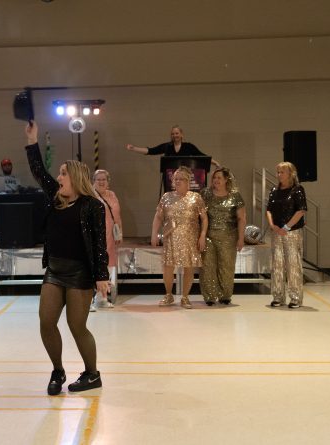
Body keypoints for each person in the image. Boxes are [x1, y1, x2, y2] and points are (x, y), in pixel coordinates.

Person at [24, 120, 109, 396]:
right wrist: (32, 141)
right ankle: (57, 370)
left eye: (63, 173)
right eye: (58, 174)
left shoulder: (92, 206)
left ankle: (92, 373)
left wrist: (101, 276)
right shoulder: (55, 197)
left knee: (76, 325)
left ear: (75, 176)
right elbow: (38, 171)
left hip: (80, 274)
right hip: (55, 271)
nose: (58, 178)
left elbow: (99, 243)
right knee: (46, 321)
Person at [151, 166, 208, 309]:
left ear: (188, 181)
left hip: (190, 237)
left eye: (181, 179)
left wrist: (202, 236)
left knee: (189, 267)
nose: (177, 181)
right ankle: (169, 295)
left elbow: (204, 219)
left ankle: (185, 297)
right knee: (168, 267)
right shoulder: (166, 196)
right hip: (171, 237)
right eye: (175, 178)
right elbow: (158, 217)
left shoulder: (196, 197)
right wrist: (154, 234)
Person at [200, 167, 246, 305]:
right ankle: (209, 296)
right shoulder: (205, 194)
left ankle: (225, 295)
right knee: (207, 266)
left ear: (226, 179)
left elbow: (242, 218)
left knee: (226, 267)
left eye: (219, 178)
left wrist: (241, 238)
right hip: (208, 236)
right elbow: (200, 217)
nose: (216, 180)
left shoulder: (235, 195)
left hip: (228, 237)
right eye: (214, 178)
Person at [266, 162, 308, 309]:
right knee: (276, 264)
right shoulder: (274, 190)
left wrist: (287, 226)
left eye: (282, 172)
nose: (279, 175)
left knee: (293, 265)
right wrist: (272, 225)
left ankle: (295, 298)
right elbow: (269, 209)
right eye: (278, 172)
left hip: (292, 232)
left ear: (290, 174)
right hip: (277, 232)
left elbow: (301, 210)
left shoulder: (297, 190)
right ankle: (278, 296)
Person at [90, 169, 122, 311]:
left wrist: (119, 233)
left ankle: (102, 297)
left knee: (107, 265)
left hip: (109, 236)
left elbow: (117, 216)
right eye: (98, 180)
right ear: (93, 181)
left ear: (108, 181)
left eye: (104, 179)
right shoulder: (89, 195)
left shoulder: (112, 195)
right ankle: (89, 298)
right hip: (94, 236)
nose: (101, 182)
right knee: (93, 265)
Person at [126, 125, 221, 167]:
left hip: (185, 178)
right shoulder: (167, 146)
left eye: (176, 133)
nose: (174, 135)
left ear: (181, 134)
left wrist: (215, 163)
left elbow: (202, 156)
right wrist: (134, 148)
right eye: (172, 134)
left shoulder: (189, 146)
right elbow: (150, 151)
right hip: (169, 178)